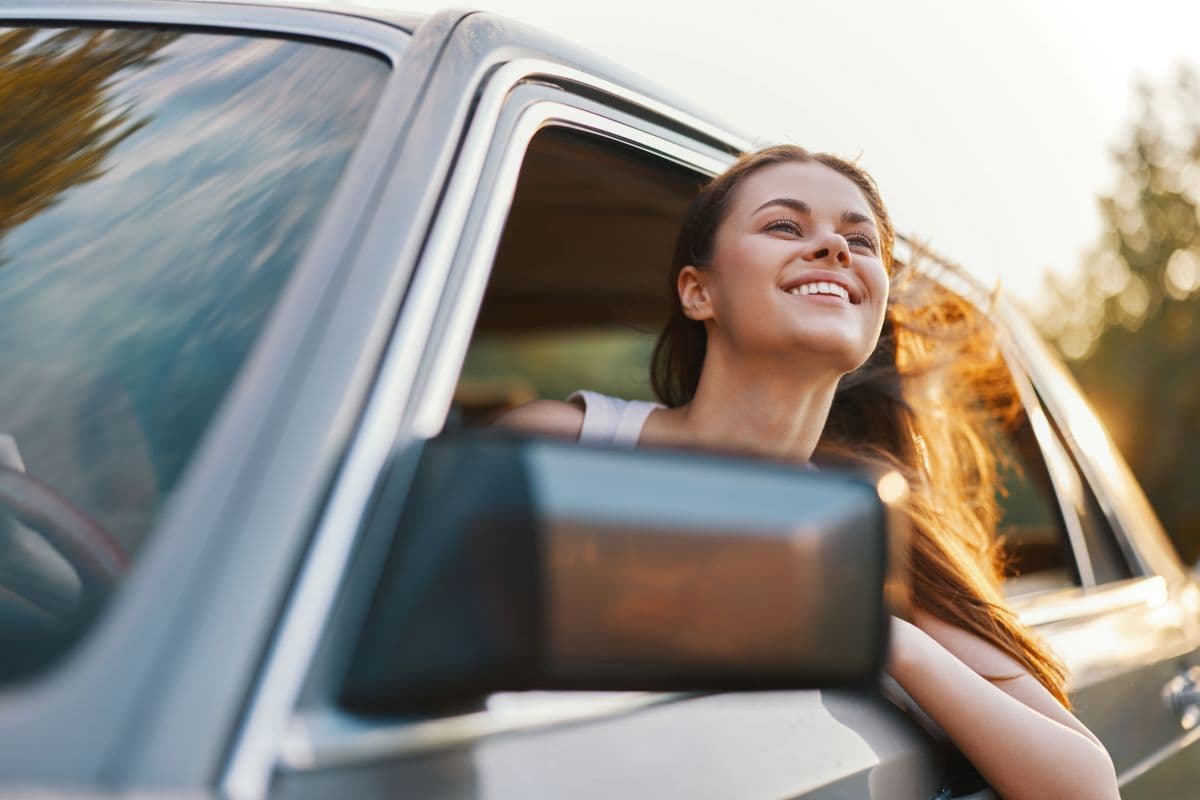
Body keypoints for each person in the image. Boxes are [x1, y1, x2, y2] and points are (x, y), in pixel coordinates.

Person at [496, 145, 1118, 800]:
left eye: (859, 239)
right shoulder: (562, 446)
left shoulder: (876, 528)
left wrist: (873, 637)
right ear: (697, 291)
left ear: (874, 309)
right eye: (784, 226)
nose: (834, 250)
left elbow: (1084, 786)